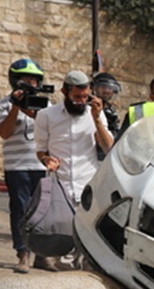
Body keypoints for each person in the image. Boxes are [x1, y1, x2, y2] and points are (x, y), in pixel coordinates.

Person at [0, 58, 50, 273]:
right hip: (17, 166)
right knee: (20, 209)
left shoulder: (46, 106)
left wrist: (35, 112)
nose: (31, 84)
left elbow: (51, 130)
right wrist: (16, 107)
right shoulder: (4, 104)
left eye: (34, 80)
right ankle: (23, 253)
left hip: (41, 165)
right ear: (16, 80)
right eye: (26, 79)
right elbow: (4, 132)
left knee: (43, 211)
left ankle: (42, 254)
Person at [34, 70, 114, 204]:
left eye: (85, 97)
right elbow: (40, 150)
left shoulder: (96, 114)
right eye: (77, 97)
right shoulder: (46, 116)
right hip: (59, 188)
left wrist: (97, 119)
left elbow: (109, 148)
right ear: (64, 92)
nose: (82, 101)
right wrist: (46, 159)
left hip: (88, 188)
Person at [91, 72, 122, 147]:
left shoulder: (111, 112)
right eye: (103, 87)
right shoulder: (89, 108)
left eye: (110, 88)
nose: (107, 90)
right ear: (95, 88)